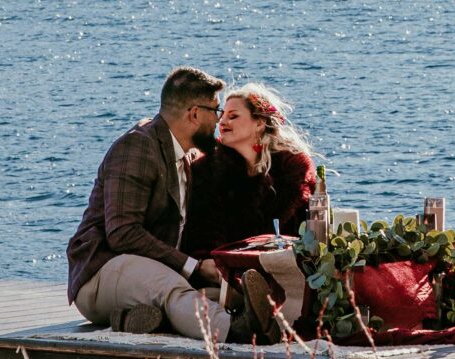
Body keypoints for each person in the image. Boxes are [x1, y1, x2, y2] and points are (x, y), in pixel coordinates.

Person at [65, 67, 237, 341]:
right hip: (100, 272)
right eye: (215, 112)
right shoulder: (138, 147)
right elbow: (122, 233)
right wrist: (193, 265)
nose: (218, 121)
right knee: (169, 289)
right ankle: (240, 333)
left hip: (146, 275)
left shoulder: (186, 155)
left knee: (214, 295)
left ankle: (130, 319)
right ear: (194, 114)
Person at [179, 82, 318, 258]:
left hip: (287, 263)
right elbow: (203, 233)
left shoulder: (293, 169)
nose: (222, 122)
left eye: (233, 116)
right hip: (227, 266)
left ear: (259, 123)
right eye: (222, 115)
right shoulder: (208, 170)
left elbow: (308, 231)